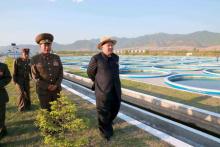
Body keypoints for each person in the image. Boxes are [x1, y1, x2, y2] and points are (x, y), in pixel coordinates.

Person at [87, 36, 121, 141]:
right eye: (108, 45)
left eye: (112, 45)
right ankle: (106, 133)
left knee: (115, 108)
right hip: (102, 90)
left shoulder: (116, 57)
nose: (110, 47)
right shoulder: (96, 58)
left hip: (116, 89)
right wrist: (98, 81)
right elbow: (90, 72)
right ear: (102, 47)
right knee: (103, 111)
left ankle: (109, 122)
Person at [31, 33, 63, 111]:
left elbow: (60, 73)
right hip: (43, 91)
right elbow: (35, 77)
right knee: (46, 112)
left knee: (58, 111)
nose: (47, 47)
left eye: (49, 45)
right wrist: (47, 86)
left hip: (56, 90)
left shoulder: (56, 57)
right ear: (40, 46)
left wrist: (56, 85)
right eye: (44, 45)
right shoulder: (35, 59)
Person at [0, 61, 12, 139]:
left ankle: (1, 131)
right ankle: (3, 130)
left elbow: (8, 77)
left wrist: (0, 83)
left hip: (0, 95)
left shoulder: (3, 66)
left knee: (1, 115)